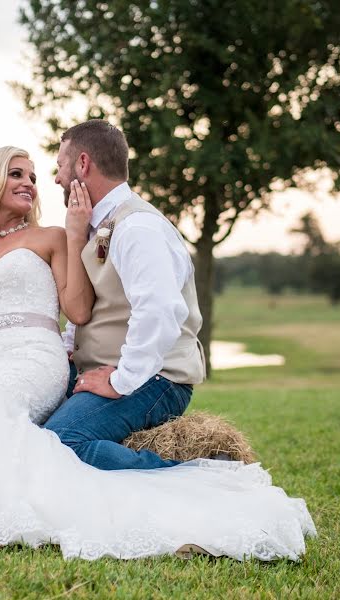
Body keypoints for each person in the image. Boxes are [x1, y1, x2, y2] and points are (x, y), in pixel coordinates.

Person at [0, 145, 315, 561]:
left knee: (51, 435)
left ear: (82, 164)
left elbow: (80, 310)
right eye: (18, 174)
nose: (34, 182)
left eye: (35, 174)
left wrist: (72, 233)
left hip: (40, 358)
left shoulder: (55, 236)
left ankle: (188, 471)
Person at [44, 119, 205, 470]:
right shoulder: (98, 223)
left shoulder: (137, 227)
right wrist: (70, 349)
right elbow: (102, 300)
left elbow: (160, 309)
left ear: (83, 164)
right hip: (113, 368)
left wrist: (121, 381)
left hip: (156, 378)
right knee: (22, 427)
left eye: (59, 165)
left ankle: (187, 476)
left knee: (61, 442)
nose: (56, 177)